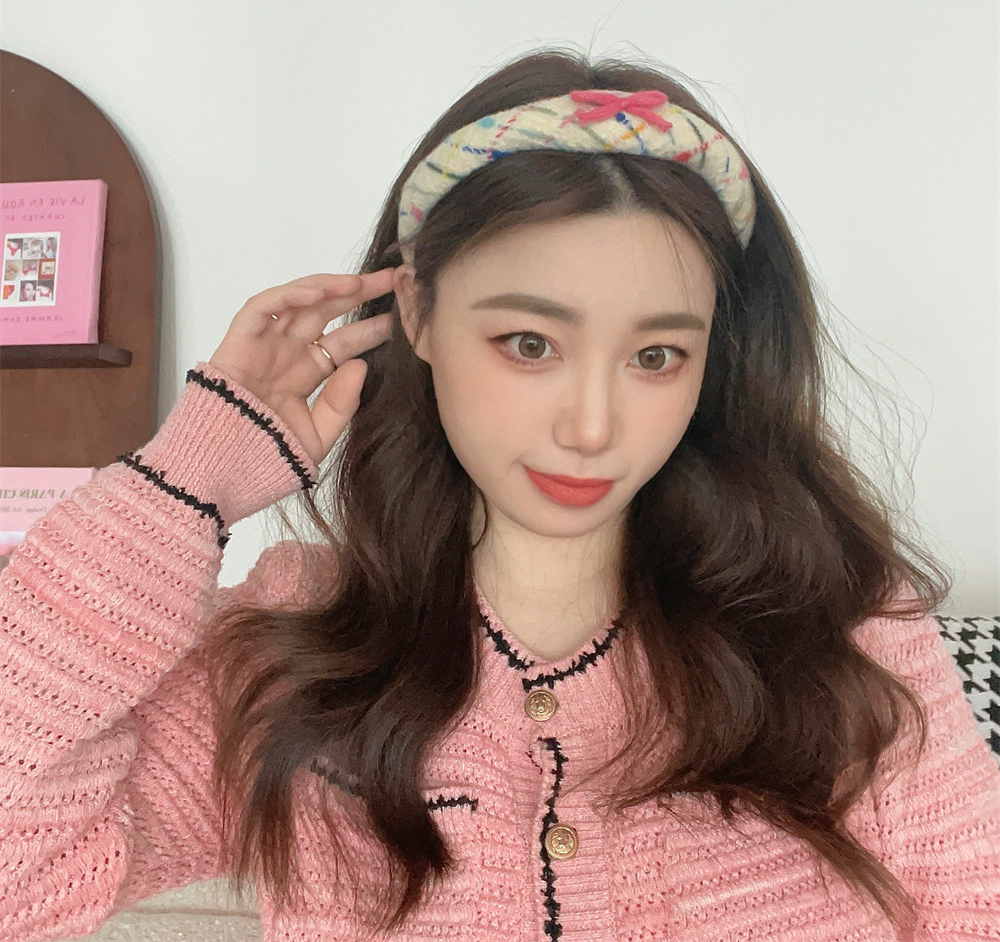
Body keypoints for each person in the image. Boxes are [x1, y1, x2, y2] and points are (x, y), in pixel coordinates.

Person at [1, 49, 998, 942]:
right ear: (418, 312)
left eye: (656, 355)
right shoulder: (297, 646)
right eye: (529, 343)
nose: (592, 426)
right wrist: (182, 486)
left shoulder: (847, 630)